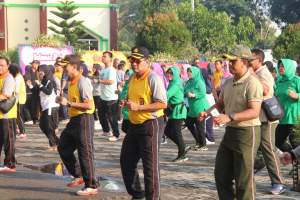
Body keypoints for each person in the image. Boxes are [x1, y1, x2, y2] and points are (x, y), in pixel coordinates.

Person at [199, 45, 263, 200]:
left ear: (244, 62)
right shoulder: (228, 81)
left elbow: (254, 111)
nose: (229, 64)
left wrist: (230, 116)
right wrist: (207, 113)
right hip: (231, 132)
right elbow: (220, 104)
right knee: (221, 175)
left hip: (247, 133)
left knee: (243, 181)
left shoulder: (252, 83)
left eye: (233, 61)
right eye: (228, 61)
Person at [120, 47, 167, 200]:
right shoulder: (133, 78)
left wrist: (139, 107)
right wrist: (126, 102)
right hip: (134, 124)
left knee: (150, 166)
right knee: (126, 160)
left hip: (151, 124)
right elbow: (135, 99)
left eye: (137, 60)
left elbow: (162, 104)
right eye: (132, 60)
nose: (133, 63)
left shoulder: (153, 78)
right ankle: (137, 194)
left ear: (147, 62)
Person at [56, 55, 98, 196]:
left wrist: (68, 103)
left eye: (65, 66)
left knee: (85, 152)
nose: (62, 68)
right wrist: (63, 100)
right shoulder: (70, 80)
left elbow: (89, 105)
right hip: (74, 119)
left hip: (84, 119)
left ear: (74, 67)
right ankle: (79, 174)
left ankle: (91, 185)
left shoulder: (83, 81)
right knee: (63, 146)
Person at [250, 49, 285, 195]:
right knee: (254, 148)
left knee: (268, 148)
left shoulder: (264, 74)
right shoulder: (256, 73)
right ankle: (247, 175)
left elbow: (266, 91)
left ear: (259, 60)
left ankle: (278, 182)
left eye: (251, 59)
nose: (249, 62)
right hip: (258, 118)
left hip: (267, 118)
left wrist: (252, 76)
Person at [164, 66, 190, 162]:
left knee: (176, 132)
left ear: (175, 74)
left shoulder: (176, 83)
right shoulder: (172, 82)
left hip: (178, 110)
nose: (169, 75)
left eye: (171, 73)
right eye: (168, 73)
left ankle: (182, 154)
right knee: (167, 131)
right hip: (174, 110)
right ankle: (183, 146)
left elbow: (167, 95)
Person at [275, 59, 300, 154]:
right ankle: (293, 157)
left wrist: (297, 96)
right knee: (278, 141)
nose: (280, 68)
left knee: (295, 142)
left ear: (289, 67)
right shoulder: (279, 81)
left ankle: (297, 164)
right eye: (279, 66)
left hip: (295, 118)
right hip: (283, 117)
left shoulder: (296, 80)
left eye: (283, 66)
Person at [184, 66, 209, 151]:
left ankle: (203, 144)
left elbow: (203, 93)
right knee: (188, 123)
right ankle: (199, 142)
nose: (188, 73)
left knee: (200, 126)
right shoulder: (188, 82)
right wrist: (186, 93)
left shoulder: (199, 82)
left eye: (190, 72)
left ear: (195, 73)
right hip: (192, 108)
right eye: (188, 72)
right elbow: (185, 90)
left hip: (200, 107)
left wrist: (194, 95)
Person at [36, 64, 60, 151]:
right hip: (45, 107)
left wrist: (40, 85)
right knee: (42, 125)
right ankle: (57, 142)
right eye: (39, 71)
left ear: (46, 71)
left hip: (51, 106)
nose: (39, 73)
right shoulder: (43, 81)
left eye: (41, 71)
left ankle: (54, 144)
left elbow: (49, 92)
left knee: (47, 126)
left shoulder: (50, 81)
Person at [0, 56, 17, 172]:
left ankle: (10, 164)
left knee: (8, 141)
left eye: (2, 65)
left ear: (7, 66)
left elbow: (6, 95)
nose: (0, 67)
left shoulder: (9, 78)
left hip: (7, 115)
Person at [98, 51, 120, 141]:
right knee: (101, 115)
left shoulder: (111, 70)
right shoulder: (103, 70)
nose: (103, 58)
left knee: (112, 117)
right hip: (103, 96)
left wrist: (99, 81)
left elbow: (111, 81)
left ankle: (116, 134)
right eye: (102, 56)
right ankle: (106, 131)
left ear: (110, 59)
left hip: (111, 97)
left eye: (105, 56)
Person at [9, 64, 27, 139]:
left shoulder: (18, 78)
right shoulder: (18, 76)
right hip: (19, 99)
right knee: (17, 116)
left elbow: (16, 90)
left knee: (19, 116)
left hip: (19, 99)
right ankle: (19, 129)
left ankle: (22, 132)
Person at [24, 60, 40, 124]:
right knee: (29, 105)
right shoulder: (28, 71)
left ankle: (35, 119)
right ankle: (30, 119)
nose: (35, 65)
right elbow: (28, 81)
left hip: (38, 90)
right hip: (30, 91)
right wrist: (31, 87)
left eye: (36, 64)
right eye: (34, 64)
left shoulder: (38, 72)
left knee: (36, 105)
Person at [119, 69, 134, 134]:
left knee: (126, 128)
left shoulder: (131, 85)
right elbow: (123, 95)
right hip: (125, 112)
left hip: (130, 113)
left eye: (128, 74)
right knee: (125, 128)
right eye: (126, 73)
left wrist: (124, 101)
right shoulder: (126, 84)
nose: (126, 75)